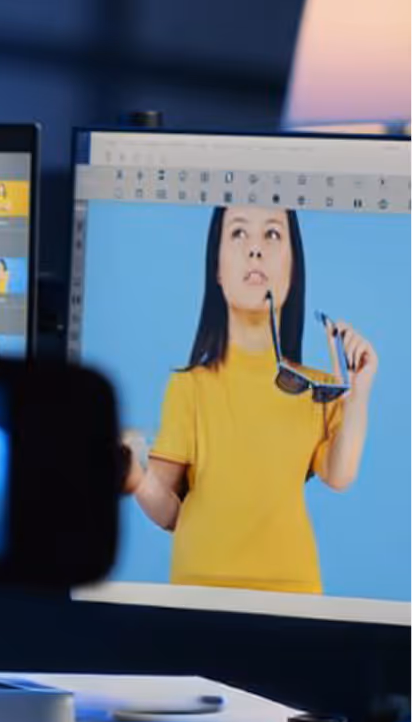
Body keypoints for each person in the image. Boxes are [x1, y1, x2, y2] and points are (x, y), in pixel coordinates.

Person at [121, 207, 377, 594]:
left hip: (293, 594)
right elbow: (171, 513)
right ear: (218, 269)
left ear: (293, 266)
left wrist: (357, 393)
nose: (255, 249)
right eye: (239, 233)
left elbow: (340, 475)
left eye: (272, 235)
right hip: (197, 592)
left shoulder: (319, 386)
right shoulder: (189, 387)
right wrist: (136, 478)